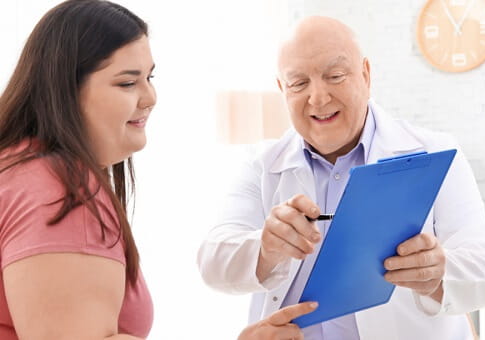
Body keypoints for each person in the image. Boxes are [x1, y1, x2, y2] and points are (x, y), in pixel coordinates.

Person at [0, 1, 314, 339]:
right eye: (126, 83)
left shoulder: (21, 168)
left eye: (149, 77)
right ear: (65, 91)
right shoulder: (61, 194)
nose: (150, 96)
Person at [198, 15, 485, 339]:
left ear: (365, 74)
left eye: (334, 75)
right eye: (298, 84)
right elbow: (212, 263)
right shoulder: (261, 164)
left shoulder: (435, 152)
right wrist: (265, 248)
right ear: (281, 89)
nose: (317, 98)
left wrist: (438, 274)